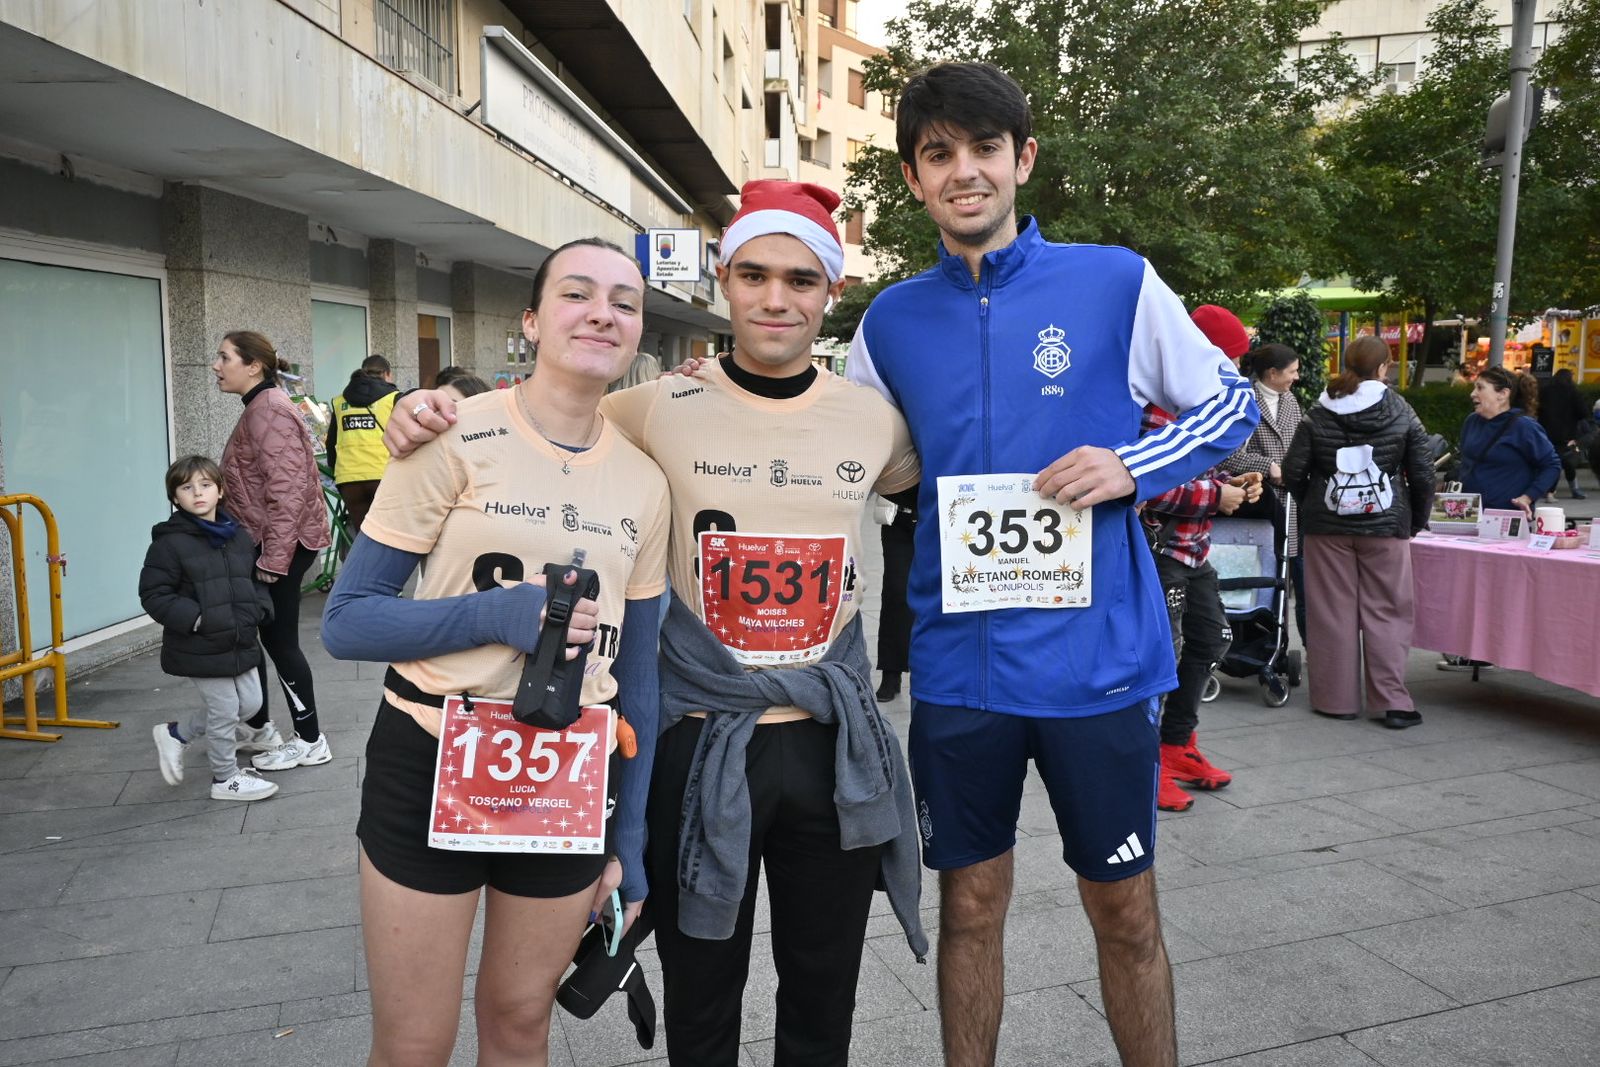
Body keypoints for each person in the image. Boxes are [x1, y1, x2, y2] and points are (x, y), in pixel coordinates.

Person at [383, 181, 929, 1067]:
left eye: (800, 279)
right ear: (724, 282)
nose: (776, 298)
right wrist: (424, 413)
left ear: (831, 291)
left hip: (829, 739)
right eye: (753, 275)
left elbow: (940, 484)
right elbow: (545, 422)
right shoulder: (645, 407)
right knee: (701, 992)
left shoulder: (876, 422)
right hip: (696, 735)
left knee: (825, 989)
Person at [845, 62, 1257, 1067]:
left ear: (1022, 158)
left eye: (984, 148)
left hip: (1096, 664)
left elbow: (1230, 403)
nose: (965, 171)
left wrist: (1133, 463)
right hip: (961, 671)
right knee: (969, 905)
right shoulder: (888, 321)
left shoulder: (1113, 280)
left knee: (1123, 907)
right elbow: (841, 449)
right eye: (939, 153)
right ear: (912, 178)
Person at [322, 237, 671, 1066]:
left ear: (637, 330)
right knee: (414, 1042)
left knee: (520, 1023)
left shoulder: (645, 479)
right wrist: (494, 614)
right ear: (532, 321)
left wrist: (631, 836)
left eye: (623, 302)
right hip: (431, 750)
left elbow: (640, 674)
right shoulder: (450, 435)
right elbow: (349, 621)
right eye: (577, 294)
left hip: (567, 773)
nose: (602, 314)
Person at [1140, 310, 1264, 814]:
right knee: (1162, 659)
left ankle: (1176, 746)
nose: (1234, 368)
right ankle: (1145, 766)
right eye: (1230, 357)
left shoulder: (1201, 403)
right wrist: (1217, 496)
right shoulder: (1157, 407)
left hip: (1195, 553)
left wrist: (1234, 483)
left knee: (1211, 640)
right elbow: (1145, 483)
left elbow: (1198, 470)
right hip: (1163, 553)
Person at [1282, 335, 1434, 728]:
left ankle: (1336, 701)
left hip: (1326, 529)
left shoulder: (1318, 410)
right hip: (1385, 526)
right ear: (1383, 368)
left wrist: (1315, 504)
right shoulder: (1400, 409)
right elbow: (1422, 473)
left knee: (1331, 613)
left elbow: (1293, 471)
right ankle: (1392, 702)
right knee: (1389, 610)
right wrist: (1414, 520)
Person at [212, 331, 334, 771]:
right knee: (269, 638)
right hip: (273, 543)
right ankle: (261, 728)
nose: (216, 366)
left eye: (225, 357)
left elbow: (288, 492)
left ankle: (310, 740)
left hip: (279, 546)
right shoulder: (262, 406)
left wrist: (273, 560)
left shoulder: (268, 410)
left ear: (253, 366)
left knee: (281, 643)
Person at [142, 455, 278, 802]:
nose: (197, 493)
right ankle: (225, 778)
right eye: (187, 488)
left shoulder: (238, 537)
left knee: (250, 704)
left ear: (220, 491)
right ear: (175, 498)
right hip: (200, 643)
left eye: (205, 485)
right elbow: (154, 594)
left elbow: (252, 580)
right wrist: (198, 619)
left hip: (240, 638)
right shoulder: (169, 543)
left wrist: (259, 609)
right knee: (224, 710)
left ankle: (176, 734)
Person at [1221, 342, 1307, 640]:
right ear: (1272, 373)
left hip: (1292, 505)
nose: (1297, 377)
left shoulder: (1290, 401)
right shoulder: (1244, 400)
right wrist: (1268, 466)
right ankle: (1257, 640)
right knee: (1262, 577)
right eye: (1292, 371)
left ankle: (1288, 645)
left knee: (1291, 578)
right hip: (1256, 507)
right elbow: (1227, 456)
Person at [1458, 365, 1562, 518]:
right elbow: (1466, 462)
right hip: (1467, 514)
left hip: (1505, 516)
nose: (1472, 394)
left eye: (1480, 388)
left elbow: (1552, 465)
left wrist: (1528, 497)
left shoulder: (1524, 426)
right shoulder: (1471, 421)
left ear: (1503, 394)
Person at [326, 354, 399, 539]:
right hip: (383, 475)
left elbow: (331, 442)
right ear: (387, 374)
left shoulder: (340, 401)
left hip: (348, 480)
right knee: (388, 536)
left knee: (363, 537)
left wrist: (336, 472)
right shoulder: (393, 398)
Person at [875, 486, 918, 702]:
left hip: (939, 517)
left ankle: (934, 670)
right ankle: (891, 673)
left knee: (941, 596)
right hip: (897, 517)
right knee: (896, 593)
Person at [1536, 367, 1588, 499]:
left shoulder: (1545, 391)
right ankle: (1571, 489)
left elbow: (1537, 409)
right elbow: (1583, 412)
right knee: (1566, 461)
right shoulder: (1573, 392)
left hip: (1546, 432)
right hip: (1566, 434)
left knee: (1551, 461)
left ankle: (1549, 490)